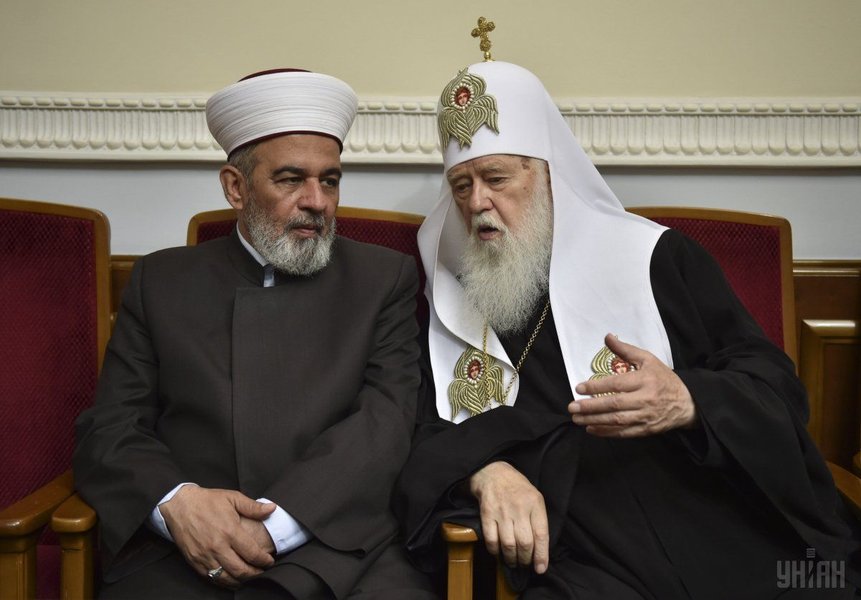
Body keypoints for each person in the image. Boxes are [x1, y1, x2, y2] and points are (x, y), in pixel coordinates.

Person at [394, 45, 861, 599]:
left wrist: (688, 399)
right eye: (461, 185)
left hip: (710, 519)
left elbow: (773, 385)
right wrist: (484, 470)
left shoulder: (654, 259)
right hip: (585, 556)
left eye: (496, 178)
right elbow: (421, 431)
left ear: (548, 175)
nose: (477, 203)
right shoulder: (451, 297)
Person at [74, 69, 438, 599]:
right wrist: (177, 504)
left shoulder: (383, 279)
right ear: (236, 187)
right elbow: (111, 426)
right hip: (185, 551)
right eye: (291, 179)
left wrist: (275, 527)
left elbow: (386, 421)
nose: (317, 201)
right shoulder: (162, 281)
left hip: (338, 544)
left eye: (330, 180)